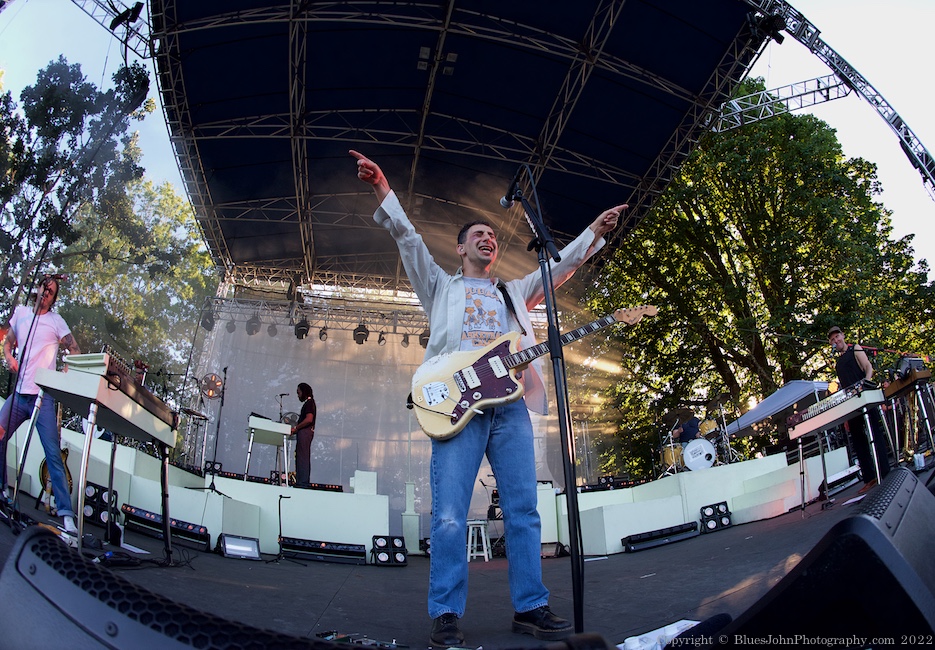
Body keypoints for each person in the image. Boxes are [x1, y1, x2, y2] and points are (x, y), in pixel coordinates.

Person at [351, 149, 623, 644]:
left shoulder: (514, 292)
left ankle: (531, 607)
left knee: (524, 509)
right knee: (449, 515)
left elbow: (560, 267)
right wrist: (382, 188)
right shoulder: (440, 287)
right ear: (461, 248)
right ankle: (446, 613)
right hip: (459, 408)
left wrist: (594, 231)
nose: (488, 237)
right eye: (478, 234)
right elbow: (408, 238)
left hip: (510, 407)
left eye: (492, 235)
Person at [0, 276, 81, 531]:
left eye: (51, 292)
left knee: (53, 455)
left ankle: (66, 516)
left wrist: (63, 374)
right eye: (45, 288)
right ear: (37, 289)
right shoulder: (22, 314)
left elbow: (75, 350)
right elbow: (7, 343)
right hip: (19, 394)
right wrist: (9, 358)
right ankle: (2, 490)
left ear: (54, 298)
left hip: (42, 397)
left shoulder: (56, 321)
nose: (46, 293)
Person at [828, 325, 890, 493]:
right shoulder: (838, 363)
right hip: (852, 403)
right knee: (858, 439)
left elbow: (868, 367)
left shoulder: (855, 348)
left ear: (843, 336)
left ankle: (885, 471)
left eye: (837, 336)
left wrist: (866, 383)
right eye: (832, 339)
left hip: (865, 396)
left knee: (875, 433)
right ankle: (869, 477)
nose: (836, 340)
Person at [291, 382, 316, 487]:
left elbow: (309, 419)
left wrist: (296, 428)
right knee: (301, 456)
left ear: (304, 392)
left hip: (305, 432)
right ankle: (301, 481)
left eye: (299, 392)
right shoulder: (309, 403)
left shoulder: (309, 403)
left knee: (303, 457)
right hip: (304, 432)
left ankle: (302, 482)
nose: (298, 395)